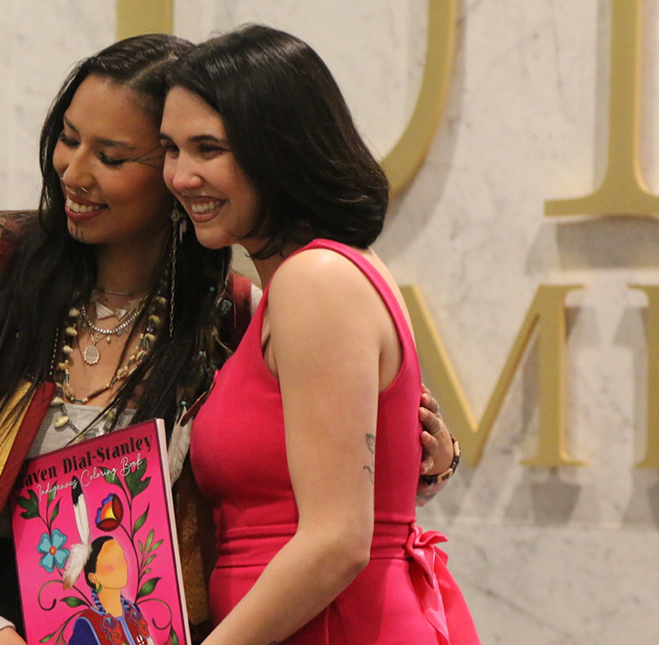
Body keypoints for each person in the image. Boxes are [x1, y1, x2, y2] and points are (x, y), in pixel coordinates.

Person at [0, 33, 459, 645]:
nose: (74, 171)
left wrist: (433, 458)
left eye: (115, 157)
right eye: (69, 138)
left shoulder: (237, 312)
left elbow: (342, 473)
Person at [159, 24, 478, 644]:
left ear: (277, 149)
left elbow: (337, 543)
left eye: (208, 148)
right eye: (171, 148)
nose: (180, 175)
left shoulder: (317, 279)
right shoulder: (308, 279)